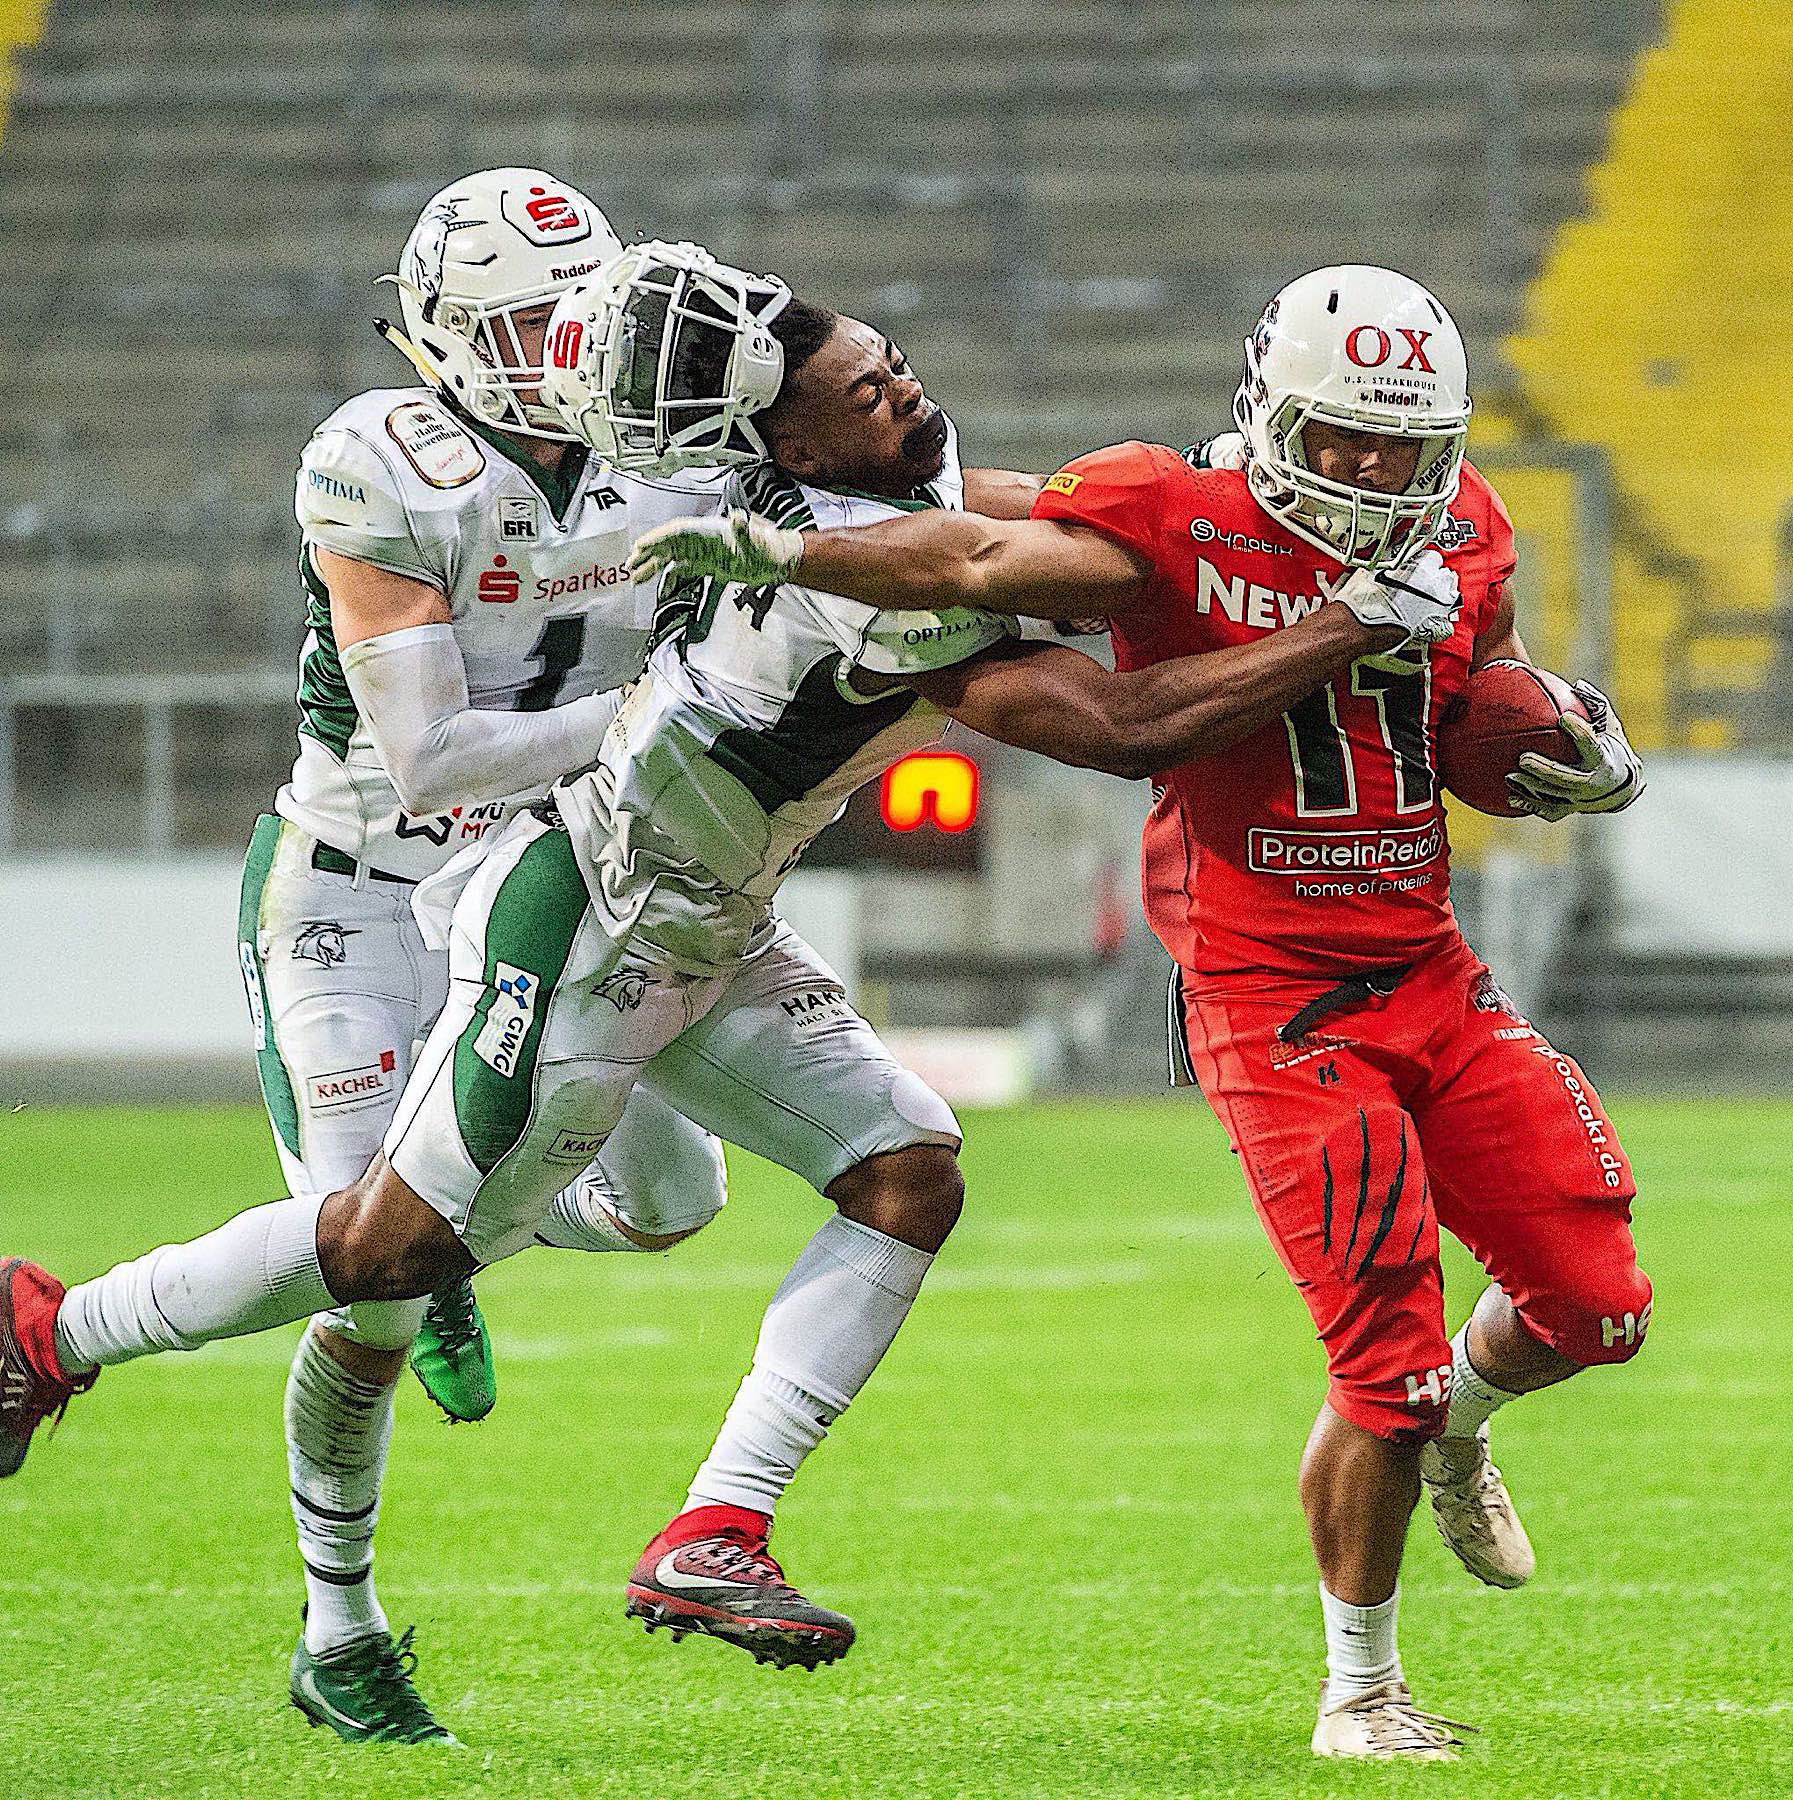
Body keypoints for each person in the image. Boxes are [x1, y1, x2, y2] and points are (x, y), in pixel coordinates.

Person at [0, 252, 1460, 1745]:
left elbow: (1028, 514)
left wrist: (1233, 497)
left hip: (720, 919)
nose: (899, 386)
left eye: (886, 360)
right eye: (860, 391)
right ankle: (53, 1332)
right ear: (791, 453)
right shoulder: (844, 569)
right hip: (593, 925)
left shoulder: (883, 476)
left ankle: (717, 1533)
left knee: (907, 1171)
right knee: (388, 1252)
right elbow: (1125, 711)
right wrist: (1348, 612)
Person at [628, 264, 1651, 1763]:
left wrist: (1564, 742)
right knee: (1388, 1360)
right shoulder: (1181, 518)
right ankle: (1359, 1694)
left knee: (1598, 1309)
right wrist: (790, 552)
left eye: (1403, 441)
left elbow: (1468, 701)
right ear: (1272, 412)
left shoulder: (1471, 522)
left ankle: (1459, 1443)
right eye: (1346, 437)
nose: (1377, 471)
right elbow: (976, 559)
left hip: (1434, 969)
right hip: (1279, 1000)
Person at [241, 166, 751, 1743]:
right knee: (364, 1279)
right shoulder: (384, 461)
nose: (561, 346)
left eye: (575, 312)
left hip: (556, 877)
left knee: (677, 1201)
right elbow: (434, 759)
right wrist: (669, 721)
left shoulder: (666, 448)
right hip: (357, 889)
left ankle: (459, 1226)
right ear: (447, 337)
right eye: (523, 321)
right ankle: (343, 1633)